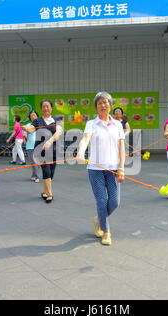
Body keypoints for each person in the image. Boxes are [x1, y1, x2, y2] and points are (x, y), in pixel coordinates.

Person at [76, 92, 125, 246]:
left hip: (113, 169)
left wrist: (122, 168)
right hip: (95, 169)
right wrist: (80, 152)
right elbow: (85, 139)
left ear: (110, 105)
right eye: (100, 103)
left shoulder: (117, 124)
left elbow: (121, 147)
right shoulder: (91, 123)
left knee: (115, 202)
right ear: (96, 107)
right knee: (102, 201)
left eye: (106, 102)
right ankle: (105, 231)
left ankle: (99, 218)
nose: (103, 105)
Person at [25, 99, 63, 203]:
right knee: (46, 171)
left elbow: (59, 132)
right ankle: (50, 194)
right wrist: (27, 129)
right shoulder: (37, 121)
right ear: (41, 109)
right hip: (40, 151)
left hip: (53, 150)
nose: (45, 108)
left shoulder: (56, 120)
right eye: (43, 106)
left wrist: (50, 141)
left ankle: (44, 192)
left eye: (47, 106)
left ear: (51, 108)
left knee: (51, 173)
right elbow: (32, 129)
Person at [22, 110, 41, 183]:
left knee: (37, 162)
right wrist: (24, 136)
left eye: (34, 115)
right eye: (31, 115)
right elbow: (25, 134)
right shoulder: (28, 125)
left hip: (39, 145)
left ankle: (36, 176)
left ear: (37, 116)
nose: (33, 116)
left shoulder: (40, 124)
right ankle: (34, 176)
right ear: (30, 117)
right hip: (30, 146)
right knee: (33, 162)